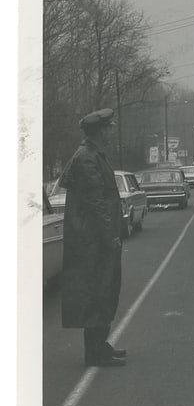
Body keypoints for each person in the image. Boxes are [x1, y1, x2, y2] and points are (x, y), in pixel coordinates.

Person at [59, 108, 127, 367]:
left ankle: (100, 345)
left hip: (96, 239)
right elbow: (96, 202)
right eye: (108, 127)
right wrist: (111, 235)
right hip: (93, 241)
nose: (111, 131)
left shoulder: (93, 155)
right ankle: (95, 352)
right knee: (98, 291)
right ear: (99, 131)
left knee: (105, 290)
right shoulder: (87, 158)